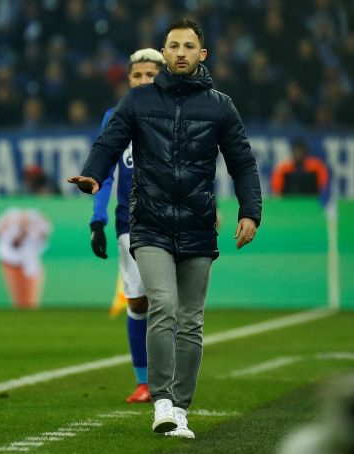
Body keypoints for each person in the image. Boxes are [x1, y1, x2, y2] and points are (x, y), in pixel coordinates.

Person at [68, 19, 262, 438]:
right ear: (164, 52)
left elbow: (242, 162)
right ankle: (161, 402)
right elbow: (109, 143)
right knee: (163, 305)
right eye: (173, 46)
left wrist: (250, 211)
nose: (180, 52)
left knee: (191, 321)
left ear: (201, 54)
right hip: (150, 225)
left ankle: (181, 408)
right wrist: (93, 175)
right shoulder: (138, 101)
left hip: (197, 227)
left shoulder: (220, 106)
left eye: (188, 46)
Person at [89, 48, 166, 404]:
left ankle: (169, 381)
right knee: (137, 302)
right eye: (137, 76)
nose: (143, 81)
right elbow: (104, 173)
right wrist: (97, 220)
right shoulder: (115, 117)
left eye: (151, 75)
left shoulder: (178, 113)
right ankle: (143, 383)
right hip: (130, 223)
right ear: (129, 81)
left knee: (167, 303)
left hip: (172, 219)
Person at [0, 207, 52, 309]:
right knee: (22, 301)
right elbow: (12, 241)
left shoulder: (33, 223)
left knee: (28, 302)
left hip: (28, 261)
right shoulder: (9, 221)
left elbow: (42, 232)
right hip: (12, 259)